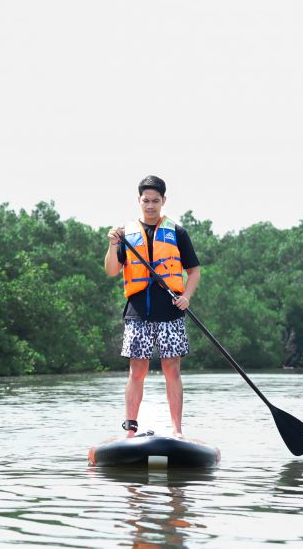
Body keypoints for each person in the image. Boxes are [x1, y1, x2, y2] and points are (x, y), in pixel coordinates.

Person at [104, 175, 201, 438]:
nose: (150, 205)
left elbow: (194, 271)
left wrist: (187, 297)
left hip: (170, 311)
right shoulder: (125, 234)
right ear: (139, 200)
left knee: (172, 369)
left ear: (163, 201)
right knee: (137, 371)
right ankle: (130, 431)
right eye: (146, 200)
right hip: (138, 313)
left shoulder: (177, 232)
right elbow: (112, 270)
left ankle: (177, 431)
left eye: (155, 201)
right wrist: (113, 245)